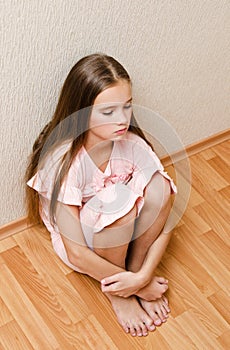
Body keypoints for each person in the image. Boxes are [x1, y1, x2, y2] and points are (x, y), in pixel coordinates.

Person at [25, 53, 177, 337]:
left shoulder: (130, 144)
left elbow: (168, 215)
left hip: (121, 236)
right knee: (116, 200)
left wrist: (142, 274)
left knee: (160, 186)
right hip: (83, 247)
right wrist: (139, 286)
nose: (122, 119)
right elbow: (77, 253)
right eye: (108, 112)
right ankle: (118, 291)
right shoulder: (64, 162)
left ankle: (132, 267)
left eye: (127, 107)